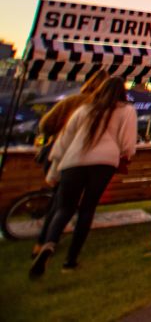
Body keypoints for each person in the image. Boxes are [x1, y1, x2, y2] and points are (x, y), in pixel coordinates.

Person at [30, 77, 137, 278]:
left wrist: (54, 172)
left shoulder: (84, 109)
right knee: (87, 209)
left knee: (64, 208)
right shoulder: (126, 111)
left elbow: (64, 141)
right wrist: (125, 155)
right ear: (122, 92)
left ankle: (49, 244)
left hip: (73, 161)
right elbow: (128, 144)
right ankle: (70, 261)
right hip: (104, 163)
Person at [31, 69, 110, 259]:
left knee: (61, 202)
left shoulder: (73, 101)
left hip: (62, 155)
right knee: (79, 206)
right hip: (89, 160)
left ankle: (44, 243)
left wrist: (57, 131)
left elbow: (45, 125)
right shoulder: (101, 107)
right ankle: (66, 252)